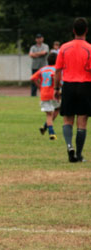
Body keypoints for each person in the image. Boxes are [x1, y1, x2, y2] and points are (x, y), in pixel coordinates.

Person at [54, 17, 91, 163]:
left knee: (67, 119)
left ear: (73, 31)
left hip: (68, 85)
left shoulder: (64, 47)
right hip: (85, 86)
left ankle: (70, 147)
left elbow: (57, 70)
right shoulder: (89, 48)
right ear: (86, 31)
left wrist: (57, 88)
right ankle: (79, 154)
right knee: (82, 121)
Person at [30, 53, 60, 140]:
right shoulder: (56, 70)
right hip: (53, 94)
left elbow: (32, 78)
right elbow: (59, 80)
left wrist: (40, 87)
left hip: (44, 94)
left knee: (49, 115)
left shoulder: (43, 69)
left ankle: (45, 127)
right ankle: (51, 133)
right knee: (56, 110)